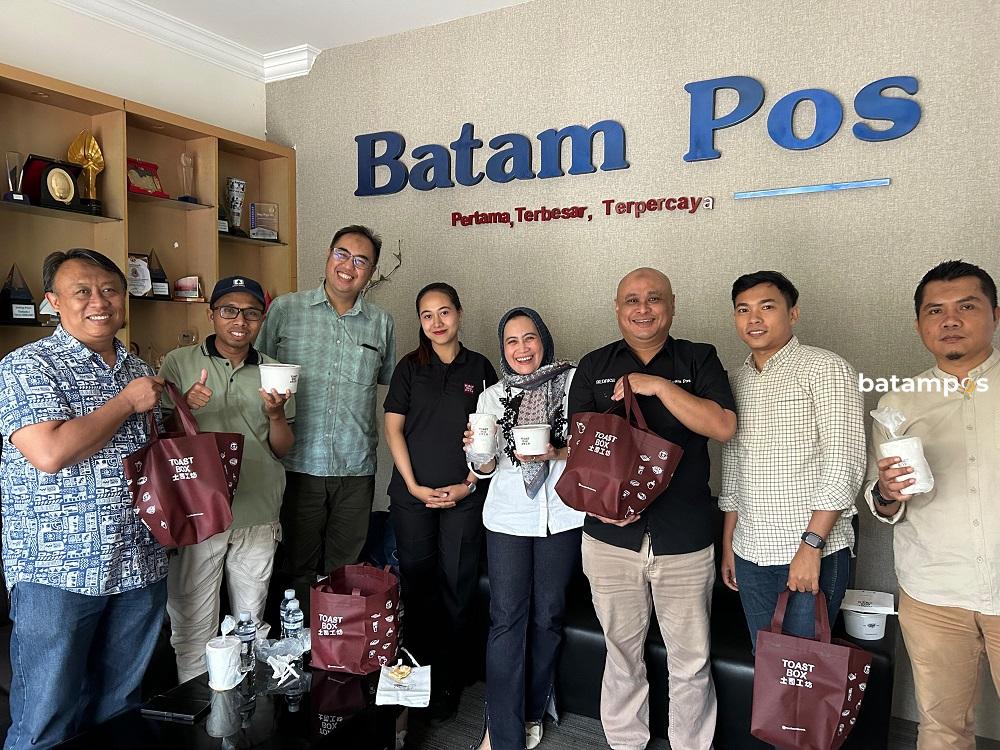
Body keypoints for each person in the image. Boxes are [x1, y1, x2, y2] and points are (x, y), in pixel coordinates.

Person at [0, 249, 168, 749]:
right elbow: (49, 452)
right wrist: (127, 402)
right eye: (82, 291)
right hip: (58, 568)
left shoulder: (137, 367)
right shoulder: (27, 365)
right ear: (53, 301)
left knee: (119, 709)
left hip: (139, 561)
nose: (99, 301)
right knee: (45, 719)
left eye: (110, 290)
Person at [568, 268, 736, 750]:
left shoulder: (699, 358)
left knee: (691, 659)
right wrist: (600, 509)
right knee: (621, 654)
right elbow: (582, 449)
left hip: (683, 537)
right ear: (617, 309)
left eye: (654, 299)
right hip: (609, 540)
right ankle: (626, 742)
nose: (643, 309)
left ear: (672, 305)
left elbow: (723, 426)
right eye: (632, 300)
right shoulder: (595, 365)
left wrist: (659, 387)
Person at [866, 260, 999, 750]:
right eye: (935, 310)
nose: (950, 320)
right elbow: (881, 501)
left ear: (995, 314)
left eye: (967, 306)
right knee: (942, 728)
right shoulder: (899, 404)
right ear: (919, 323)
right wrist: (886, 493)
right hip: (933, 593)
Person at [158, 276, 295, 682]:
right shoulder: (179, 362)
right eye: (229, 310)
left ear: (261, 320)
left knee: (250, 626)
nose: (240, 321)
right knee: (192, 626)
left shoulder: (275, 370)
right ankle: (195, 704)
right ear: (212, 314)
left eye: (251, 313)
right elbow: (160, 439)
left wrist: (275, 415)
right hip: (196, 513)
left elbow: (283, 448)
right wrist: (184, 407)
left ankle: (243, 705)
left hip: (258, 510)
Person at [719, 271, 865, 649]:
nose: (754, 319)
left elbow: (844, 463)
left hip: (811, 550)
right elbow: (732, 468)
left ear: (793, 314)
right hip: (750, 551)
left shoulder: (825, 368)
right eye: (743, 310)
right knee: (768, 661)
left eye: (767, 307)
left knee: (804, 666)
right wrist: (729, 545)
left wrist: (810, 546)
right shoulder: (735, 381)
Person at [257, 225, 396, 610]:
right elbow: (258, 370)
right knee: (295, 567)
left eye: (361, 260)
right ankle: (296, 641)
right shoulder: (286, 310)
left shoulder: (381, 323)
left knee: (346, 570)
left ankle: (337, 642)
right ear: (328, 255)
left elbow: (384, 380)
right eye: (342, 254)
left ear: (371, 271)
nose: (349, 266)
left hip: (355, 468)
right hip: (297, 463)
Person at [467, 307, 583, 750]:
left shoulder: (572, 384)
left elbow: (596, 445)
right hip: (507, 520)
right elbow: (484, 469)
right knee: (506, 620)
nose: (521, 349)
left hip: (563, 517)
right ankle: (501, 731)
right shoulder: (491, 397)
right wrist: (478, 454)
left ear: (544, 341)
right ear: (503, 349)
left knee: (549, 616)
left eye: (529, 338)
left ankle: (533, 710)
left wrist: (556, 453)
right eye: (511, 341)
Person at [383, 282, 497, 722]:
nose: (437, 322)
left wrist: (469, 483)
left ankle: (451, 679)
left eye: (444, 312)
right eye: (427, 315)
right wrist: (412, 485)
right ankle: (417, 677)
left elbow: (491, 433)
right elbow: (393, 429)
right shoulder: (410, 368)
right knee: (417, 586)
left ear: (459, 313)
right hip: (412, 499)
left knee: (458, 587)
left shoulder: (481, 368)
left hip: (464, 499)